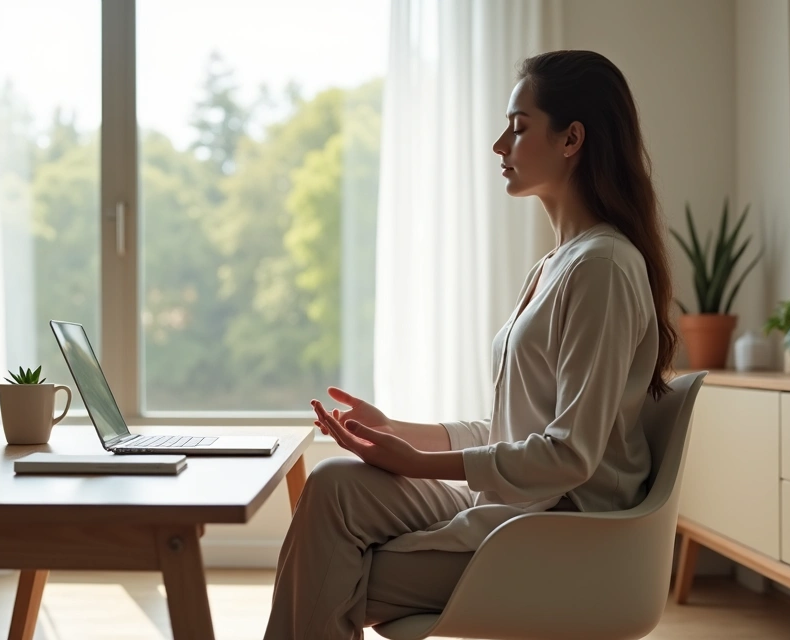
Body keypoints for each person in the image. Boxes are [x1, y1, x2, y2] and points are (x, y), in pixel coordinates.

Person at [263, 49, 680, 640]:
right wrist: (402, 432)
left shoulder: (603, 268)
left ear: (571, 139)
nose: (498, 146)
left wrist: (419, 464)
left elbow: (569, 454)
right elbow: (514, 429)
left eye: (518, 128)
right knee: (334, 486)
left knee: (326, 568)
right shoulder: (555, 266)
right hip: (515, 504)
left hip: (560, 530)